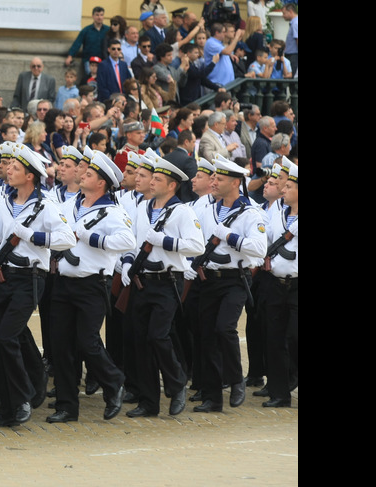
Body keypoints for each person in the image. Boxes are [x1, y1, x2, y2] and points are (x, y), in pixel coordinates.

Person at [0, 144, 75, 427]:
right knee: (4, 338)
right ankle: (10, 405)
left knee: (7, 337)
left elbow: (67, 238)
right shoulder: (5, 202)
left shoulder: (46, 206)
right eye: (9, 167)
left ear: (30, 176)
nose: (8, 170)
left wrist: (33, 236)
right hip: (2, 276)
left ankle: (22, 399)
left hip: (29, 277)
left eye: (16, 168)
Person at [48, 152, 134, 423]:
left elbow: (126, 241)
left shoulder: (113, 212)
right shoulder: (69, 205)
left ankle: (114, 381)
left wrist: (89, 236)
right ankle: (66, 405)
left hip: (92, 284)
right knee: (60, 344)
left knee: (88, 341)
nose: (83, 174)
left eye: (89, 174)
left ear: (102, 184)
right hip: (63, 282)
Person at [121, 158, 204, 417]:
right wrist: (126, 264)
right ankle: (149, 402)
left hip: (167, 281)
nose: (151, 182)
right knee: (141, 341)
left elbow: (196, 246)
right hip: (141, 281)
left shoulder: (182, 212)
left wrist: (166, 242)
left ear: (171, 186)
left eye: (157, 179)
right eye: (152, 177)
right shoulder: (143, 208)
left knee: (158, 334)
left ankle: (177, 383)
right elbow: (132, 244)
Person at [192, 159, 267, 413]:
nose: (213, 182)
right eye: (212, 178)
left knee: (225, 328)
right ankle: (213, 397)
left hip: (235, 279)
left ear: (235, 183)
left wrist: (229, 236)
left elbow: (259, 248)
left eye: (219, 179)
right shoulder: (206, 209)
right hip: (209, 279)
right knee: (208, 336)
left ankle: (236, 380)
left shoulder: (250, 213)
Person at [260, 164, 298, 408]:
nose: (284, 189)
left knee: (295, 337)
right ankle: (280, 392)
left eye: (290, 186)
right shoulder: (278, 212)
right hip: (276, 283)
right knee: (274, 338)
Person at [65, 6, 109, 72]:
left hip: (104, 61)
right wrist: (70, 56)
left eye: (101, 15)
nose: (99, 17)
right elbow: (77, 43)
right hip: (89, 61)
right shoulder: (86, 30)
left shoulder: (108, 30)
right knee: (90, 79)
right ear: (93, 16)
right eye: (97, 15)